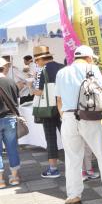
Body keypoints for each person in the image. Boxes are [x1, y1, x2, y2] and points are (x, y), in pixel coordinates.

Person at [55, 45, 102, 204]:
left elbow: (58, 100)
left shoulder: (61, 72)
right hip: (89, 116)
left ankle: (74, 196)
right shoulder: (91, 68)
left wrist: (65, 116)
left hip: (69, 117)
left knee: (72, 158)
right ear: (89, 58)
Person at [32, 46, 64, 179]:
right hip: (63, 108)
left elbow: (39, 92)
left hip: (48, 110)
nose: (36, 63)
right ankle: (80, 168)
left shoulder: (41, 71)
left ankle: (53, 169)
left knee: (51, 139)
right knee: (69, 138)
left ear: (40, 59)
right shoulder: (63, 67)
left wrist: (31, 88)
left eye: (36, 60)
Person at [0, 57, 21, 187]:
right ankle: (14, 178)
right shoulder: (11, 82)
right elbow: (16, 101)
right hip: (10, 118)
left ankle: (0, 180)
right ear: (4, 68)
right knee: (12, 148)